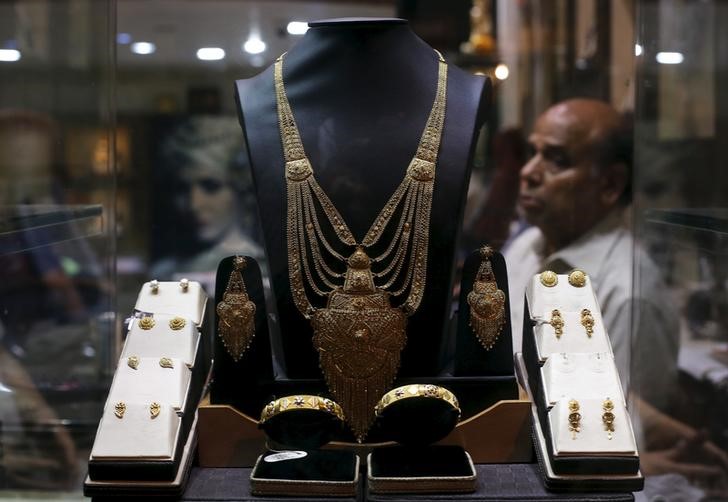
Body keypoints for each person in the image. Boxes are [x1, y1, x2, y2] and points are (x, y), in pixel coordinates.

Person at [503, 98, 728, 493]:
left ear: (609, 185)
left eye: (555, 159)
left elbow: (612, 435)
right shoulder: (526, 248)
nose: (528, 172)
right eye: (531, 153)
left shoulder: (627, 292)